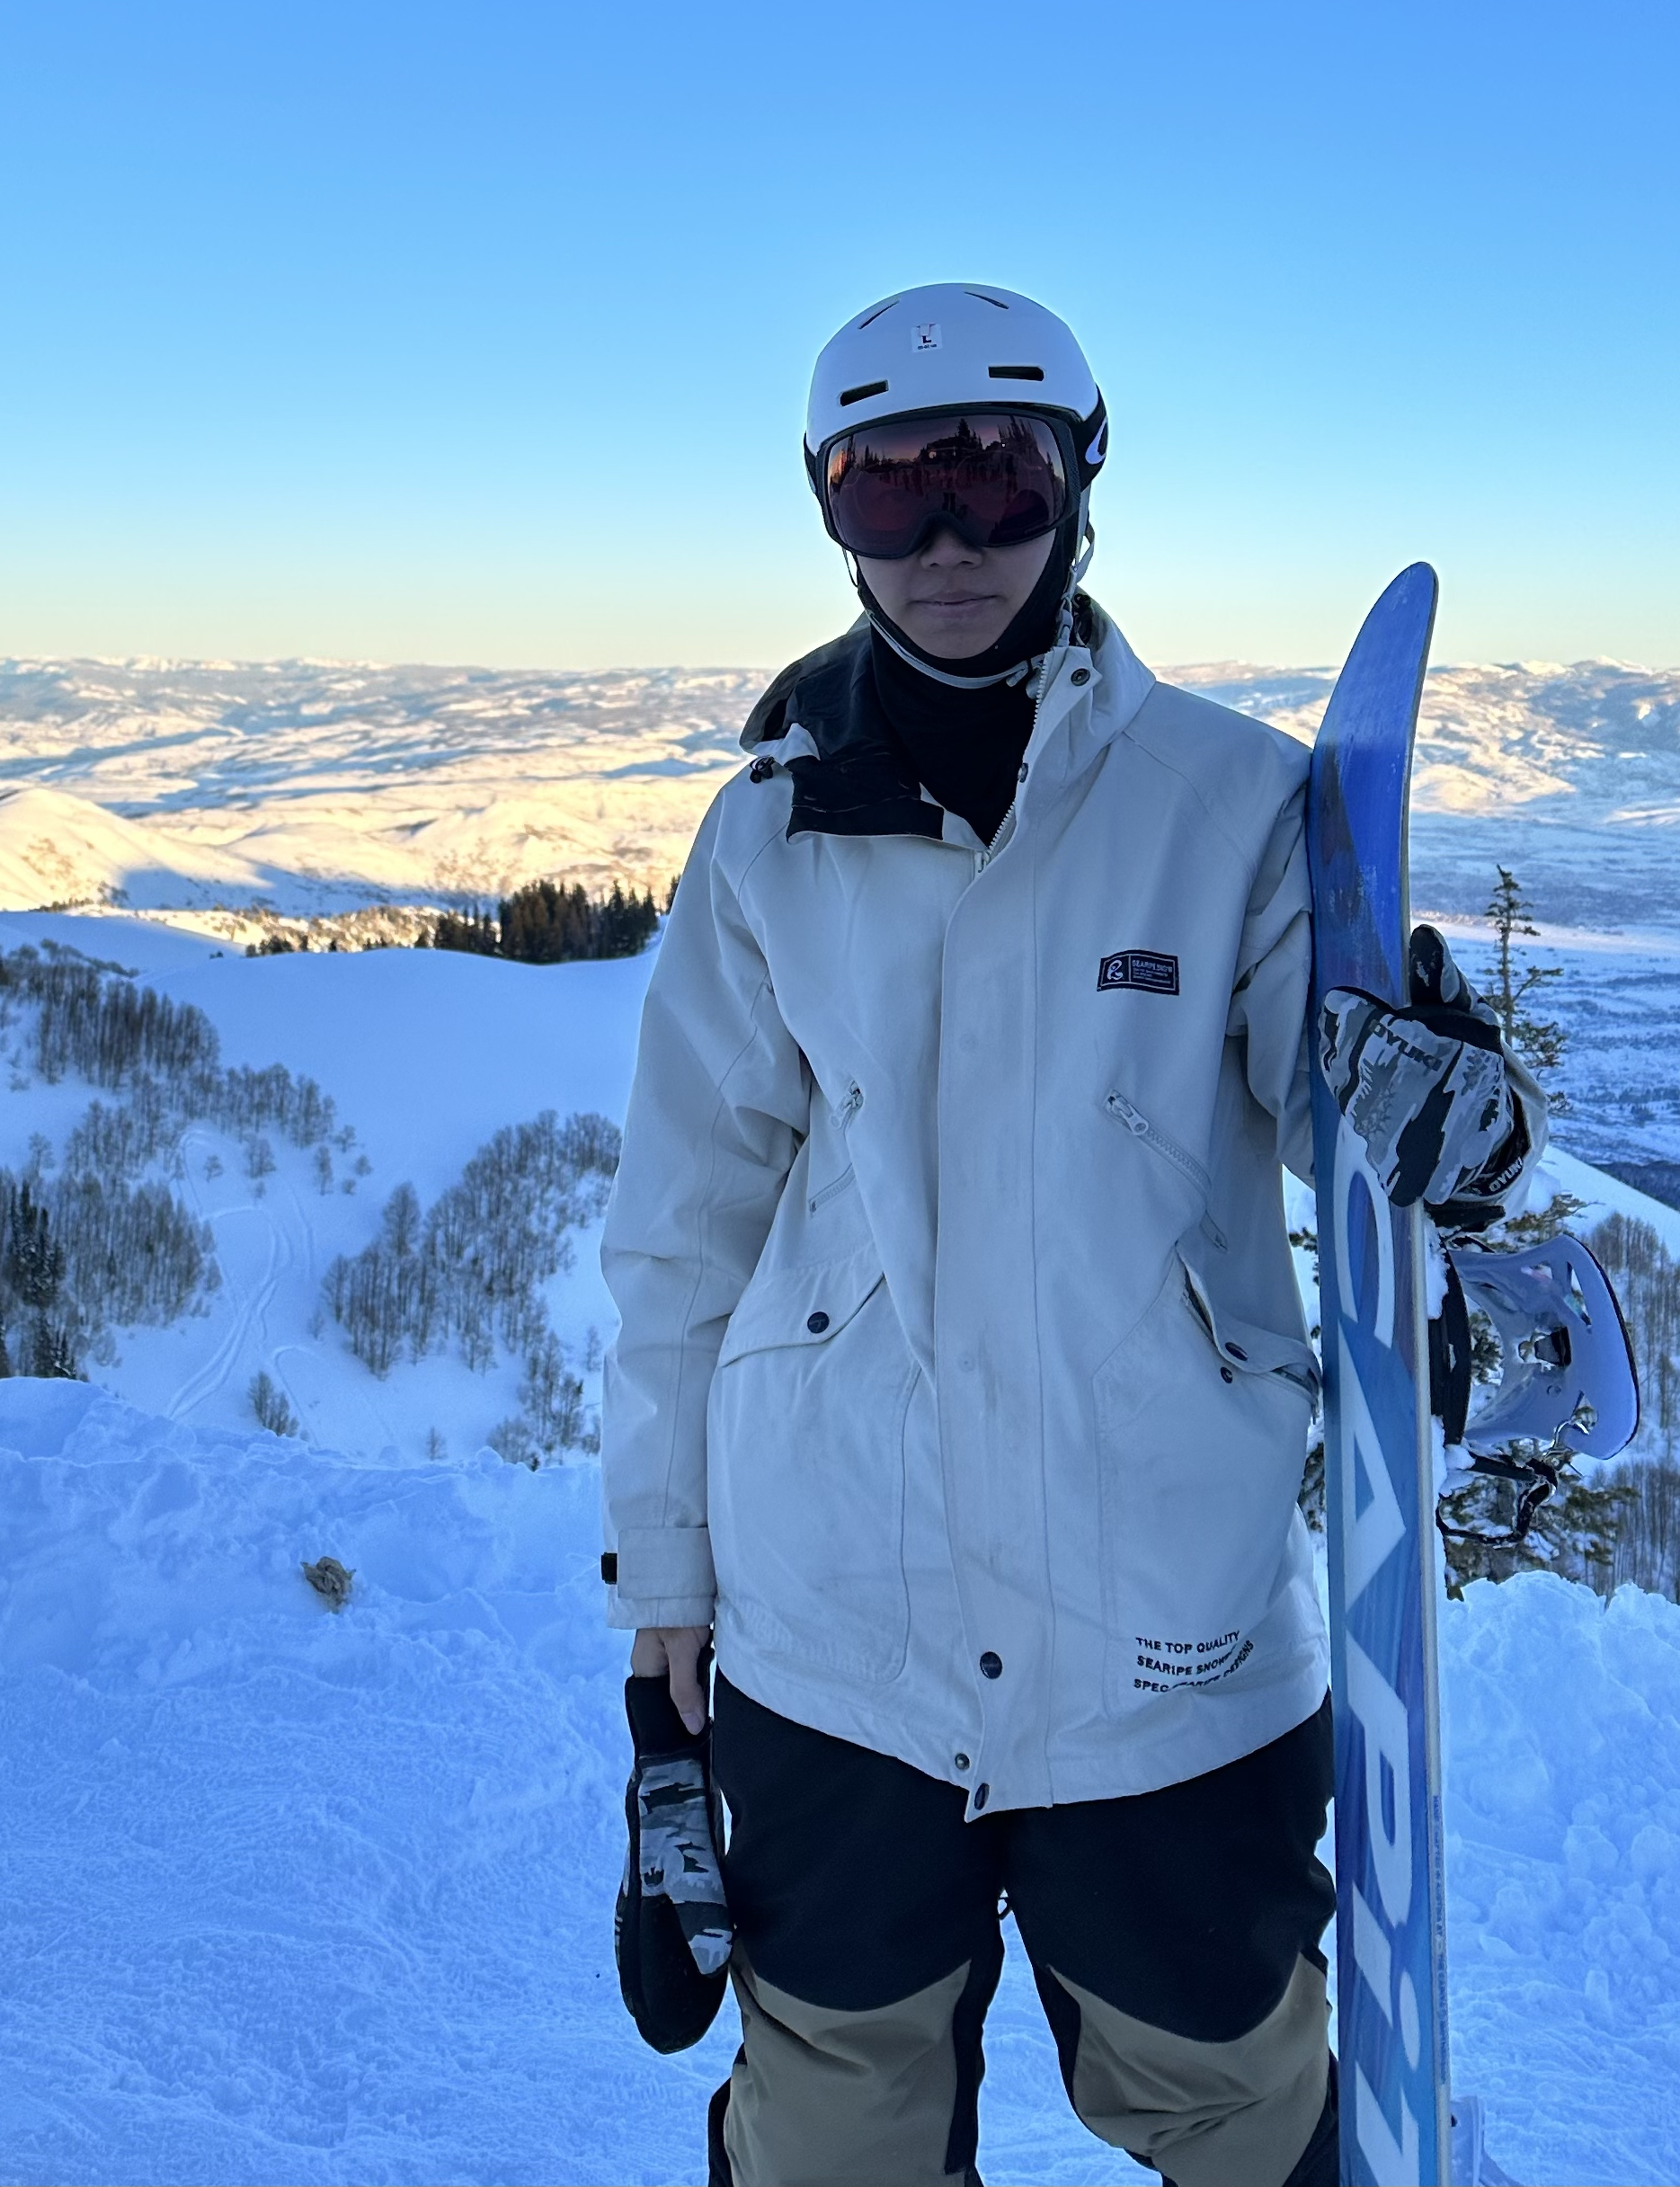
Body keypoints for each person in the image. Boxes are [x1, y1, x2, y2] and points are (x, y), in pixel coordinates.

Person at [600, 283, 1541, 2187]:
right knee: (832, 2131)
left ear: (1079, 489)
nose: (949, 540)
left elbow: (1324, 1073)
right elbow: (678, 1231)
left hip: (1165, 1632)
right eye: (890, 492)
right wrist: (660, 1604)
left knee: (1237, 2103)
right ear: (828, 508)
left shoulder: (1227, 802)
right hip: (836, 1630)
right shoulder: (764, 838)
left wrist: (1434, 1097)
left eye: (999, 478)